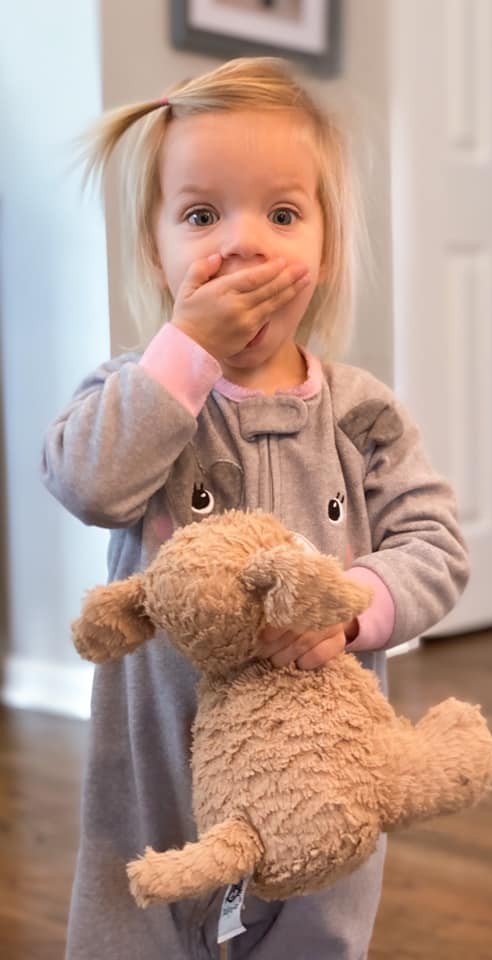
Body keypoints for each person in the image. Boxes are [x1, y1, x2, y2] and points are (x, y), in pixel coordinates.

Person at [42, 57, 469, 960]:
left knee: (319, 924)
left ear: (325, 247)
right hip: (156, 769)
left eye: (281, 214)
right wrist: (183, 355)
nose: (244, 244)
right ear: (156, 251)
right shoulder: (135, 392)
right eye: (202, 216)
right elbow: (87, 482)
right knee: (138, 918)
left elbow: (434, 543)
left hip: (320, 771)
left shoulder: (361, 414)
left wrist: (357, 601)